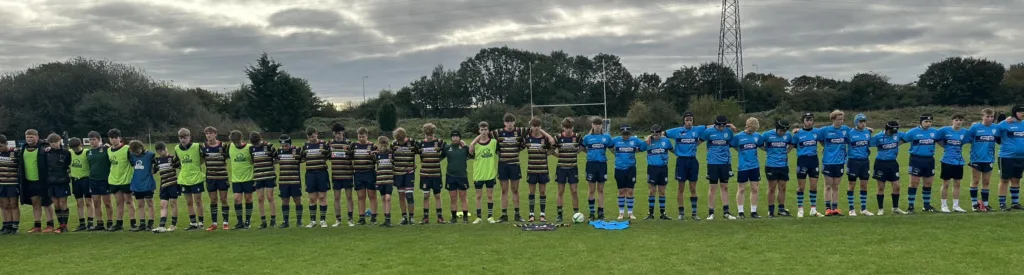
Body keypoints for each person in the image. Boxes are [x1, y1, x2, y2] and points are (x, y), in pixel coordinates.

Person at [664, 112, 705, 220]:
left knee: (692, 188)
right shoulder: (677, 131)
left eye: (691, 120)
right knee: (681, 188)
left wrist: (728, 125)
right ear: (684, 121)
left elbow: (711, 127)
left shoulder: (697, 129)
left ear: (693, 121)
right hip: (681, 161)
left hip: (692, 161)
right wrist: (650, 136)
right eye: (687, 120)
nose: (689, 122)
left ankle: (694, 213)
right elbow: (662, 133)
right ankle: (681, 213)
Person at [702, 115, 737, 220]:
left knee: (724, 187)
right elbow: (698, 141)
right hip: (712, 163)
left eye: (724, 126)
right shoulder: (708, 132)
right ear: (715, 124)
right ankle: (711, 213)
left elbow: (733, 143)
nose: (722, 128)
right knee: (712, 187)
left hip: (725, 163)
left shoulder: (728, 132)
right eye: (720, 126)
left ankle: (726, 212)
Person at [493, 113, 527, 222]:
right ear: (504, 123)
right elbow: (484, 135)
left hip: (514, 164)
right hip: (503, 165)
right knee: (504, 190)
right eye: (507, 122)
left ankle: (517, 214)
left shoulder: (520, 131)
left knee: (515, 190)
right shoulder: (498, 133)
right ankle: (504, 215)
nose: (510, 124)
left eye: (511, 121)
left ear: (514, 122)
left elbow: (534, 130)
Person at [903, 114, 939, 213]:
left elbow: (942, 142)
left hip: (929, 160)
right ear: (921, 122)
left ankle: (926, 206)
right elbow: (901, 140)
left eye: (930, 122)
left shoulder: (935, 132)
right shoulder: (912, 132)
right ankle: (910, 206)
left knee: (928, 183)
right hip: (916, 159)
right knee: (914, 183)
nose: (928, 124)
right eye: (926, 122)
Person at [20, 129, 54, 233]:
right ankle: (37, 226)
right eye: (27, 137)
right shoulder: (23, 148)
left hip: (43, 180)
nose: (29, 139)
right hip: (29, 180)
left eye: (31, 137)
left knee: (47, 203)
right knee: (35, 203)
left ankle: (50, 225)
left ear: (37, 137)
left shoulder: (44, 147)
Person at [872, 121, 908, 215]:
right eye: (892, 131)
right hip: (880, 163)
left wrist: (899, 143)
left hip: (893, 163)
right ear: (887, 129)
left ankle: (895, 208)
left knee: (897, 186)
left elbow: (909, 137)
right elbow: (868, 143)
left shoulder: (898, 134)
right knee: (880, 187)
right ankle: (880, 209)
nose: (894, 132)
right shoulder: (878, 136)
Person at [611, 125, 646, 220]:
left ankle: (630, 213)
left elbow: (643, 146)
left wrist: (637, 150)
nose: (625, 136)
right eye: (624, 134)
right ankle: (621, 213)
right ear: (621, 133)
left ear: (630, 134)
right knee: (621, 191)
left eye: (627, 134)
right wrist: (613, 152)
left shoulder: (635, 140)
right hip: (619, 168)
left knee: (630, 191)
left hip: (631, 168)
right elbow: (608, 145)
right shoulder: (615, 140)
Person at [524, 118, 556, 222]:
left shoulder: (545, 139)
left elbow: (553, 147)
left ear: (540, 127)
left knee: (542, 191)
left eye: (538, 125)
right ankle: (531, 214)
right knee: (532, 192)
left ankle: (542, 214)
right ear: (531, 127)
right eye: (534, 125)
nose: (536, 128)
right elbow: (519, 147)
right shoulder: (527, 138)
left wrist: (546, 153)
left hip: (543, 170)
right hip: (531, 170)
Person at [792, 113, 823, 217]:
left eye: (811, 120)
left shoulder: (817, 132)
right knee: (801, 187)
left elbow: (824, 141)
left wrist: (825, 147)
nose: (809, 122)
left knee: (813, 186)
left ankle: (813, 209)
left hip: (814, 160)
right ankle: (800, 209)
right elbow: (793, 145)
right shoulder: (797, 133)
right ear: (803, 121)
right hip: (802, 160)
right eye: (807, 119)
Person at [174, 128, 206, 231]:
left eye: (185, 137)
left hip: (196, 178)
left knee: (198, 201)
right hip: (184, 179)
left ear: (189, 137)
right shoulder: (177, 148)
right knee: (189, 202)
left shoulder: (197, 146)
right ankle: (193, 222)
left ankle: (201, 222)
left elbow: (204, 158)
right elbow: (178, 161)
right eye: (181, 137)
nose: (183, 140)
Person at [582, 117, 613, 220]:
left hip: (602, 165)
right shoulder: (587, 137)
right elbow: (580, 148)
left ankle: (600, 212)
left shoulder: (606, 137)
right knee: (591, 189)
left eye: (599, 124)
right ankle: (591, 212)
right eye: (595, 124)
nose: (597, 126)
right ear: (592, 125)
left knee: (600, 189)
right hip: (591, 165)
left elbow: (613, 149)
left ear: (601, 125)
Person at [820, 110, 850, 216]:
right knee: (828, 185)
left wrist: (867, 129)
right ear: (833, 119)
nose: (841, 121)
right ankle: (827, 209)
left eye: (842, 119)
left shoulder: (846, 130)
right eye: (839, 119)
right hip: (828, 161)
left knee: (836, 186)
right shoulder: (825, 130)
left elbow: (856, 132)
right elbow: (814, 134)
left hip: (840, 162)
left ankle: (835, 208)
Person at [731, 118, 763, 219]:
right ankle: (740, 212)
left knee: (755, 188)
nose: (752, 132)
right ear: (747, 126)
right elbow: (733, 145)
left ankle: (754, 211)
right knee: (741, 188)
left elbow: (762, 146)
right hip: (743, 166)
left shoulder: (757, 136)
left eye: (754, 130)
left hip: (755, 166)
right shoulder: (739, 137)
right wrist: (740, 151)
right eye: (751, 130)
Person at [762, 120, 794, 217]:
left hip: (783, 165)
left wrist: (787, 151)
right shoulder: (767, 135)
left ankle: (781, 209)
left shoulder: (788, 135)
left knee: (782, 187)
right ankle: (771, 211)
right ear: (776, 128)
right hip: (771, 165)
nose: (782, 133)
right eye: (780, 130)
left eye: (784, 131)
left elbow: (792, 144)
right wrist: (767, 150)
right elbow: (759, 144)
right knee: (772, 188)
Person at [938, 114, 970, 213]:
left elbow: (967, 140)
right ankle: (944, 205)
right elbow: (936, 138)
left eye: (960, 120)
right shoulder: (944, 130)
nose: (958, 122)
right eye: (956, 120)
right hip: (947, 160)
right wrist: (944, 146)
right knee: (946, 183)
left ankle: (956, 205)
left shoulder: (965, 132)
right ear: (952, 121)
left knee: (957, 183)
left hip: (959, 161)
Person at [968, 109, 998, 211]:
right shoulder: (975, 127)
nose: (990, 119)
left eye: (992, 117)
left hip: (989, 158)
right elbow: (966, 138)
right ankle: (974, 204)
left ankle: (985, 204)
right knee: (975, 180)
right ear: (982, 117)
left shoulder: (995, 127)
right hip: (976, 158)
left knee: (986, 181)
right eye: (987, 117)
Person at [200, 126, 230, 231]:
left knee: (223, 199)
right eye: (207, 133)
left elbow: (228, 158)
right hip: (211, 177)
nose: (209, 135)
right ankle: (214, 223)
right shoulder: (203, 146)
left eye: (211, 133)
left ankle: (225, 222)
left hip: (222, 177)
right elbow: (201, 160)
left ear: (215, 134)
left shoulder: (224, 146)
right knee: (213, 200)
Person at [553, 117, 582, 223]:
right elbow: (552, 150)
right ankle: (559, 214)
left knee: (574, 191)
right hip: (561, 168)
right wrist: (559, 156)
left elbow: (582, 147)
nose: (568, 130)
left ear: (573, 127)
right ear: (563, 127)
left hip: (573, 168)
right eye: (566, 128)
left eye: (570, 127)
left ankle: (576, 214)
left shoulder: (578, 137)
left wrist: (576, 153)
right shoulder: (558, 137)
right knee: (560, 191)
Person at [470, 121, 499, 224]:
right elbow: (470, 151)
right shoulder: (475, 145)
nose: (484, 132)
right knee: (478, 196)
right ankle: (478, 217)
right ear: (479, 131)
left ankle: (490, 216)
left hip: (490, 174)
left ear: (488, 130)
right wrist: (473, 143)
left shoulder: (494, 142)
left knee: (490, 196)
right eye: (482, 130)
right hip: (478, 174)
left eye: (485, 129)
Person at [301, 127, 331, 228]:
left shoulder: (324, 145)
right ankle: (313, 221)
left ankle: (323, 220)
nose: (311, 138)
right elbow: (303, 158)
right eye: (309, 137)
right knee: (312, 198)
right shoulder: (305, 146)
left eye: (313, 136)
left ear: (316, 134)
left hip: (322, 173)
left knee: (322, 197)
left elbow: (329, 156)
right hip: (310, 174)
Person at [996, 106, 1024, 211]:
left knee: (1016, 179)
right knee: (1004, 179)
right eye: (1020, 111)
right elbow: (996, 136)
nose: (1023, 113)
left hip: (1021, 157)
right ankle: (1002, 203)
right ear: (1014, 113)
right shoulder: (1005, 123)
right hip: (1006, 156)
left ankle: (1015, 203)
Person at [106, 129, 135, 231]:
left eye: (116, 138)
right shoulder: (108, 150)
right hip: (114, 180)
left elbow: (134, 163)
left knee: (129, 201)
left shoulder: (127, 149)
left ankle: (133, 223)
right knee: (118, 202)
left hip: (126, 180)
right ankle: (119, 223)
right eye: (112, 138)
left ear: (120, 138)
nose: (114, 140)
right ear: (109, 139)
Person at [418, 123, 447, 224]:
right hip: (425, 175)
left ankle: (440, 217)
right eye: (427, 133)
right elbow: (419, 155)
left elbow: (445, 151)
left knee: (437, 195)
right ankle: (425, 217)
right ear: (424, 133)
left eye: (431, 133)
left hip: (436, 174)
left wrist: (438, 159)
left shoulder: (439, 142)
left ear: (434, 133)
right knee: (426, 196)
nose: (429, 135)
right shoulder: (420, 144)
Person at [327, 123, 355, 227]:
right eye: (336, 133)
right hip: (336, 175)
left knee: (349, 197)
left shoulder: (349, 143)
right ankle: (338, 220)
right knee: (336, 198)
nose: (338, 135)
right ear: (333, 133)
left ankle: (350, 219)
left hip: (347, 175)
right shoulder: (330, 144)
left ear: (343, 132)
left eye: (339, 133)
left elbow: (353, 157)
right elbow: (327, 156)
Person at [846, 114, 874, 216]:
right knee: (851, 185)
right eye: (860, 122)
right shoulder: (850, 133)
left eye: (864, 122)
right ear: (856, 122)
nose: (863, 123)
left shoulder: (868, 132)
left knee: (864, 185)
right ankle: (851, 209)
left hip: (865, 162)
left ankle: (863, 208)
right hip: (853, 161)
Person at [227, 131, 256, 229]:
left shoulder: (249, 148)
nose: (236, 144)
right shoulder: (230, 147)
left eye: (238, 141)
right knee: (237, 199)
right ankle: (240, 222)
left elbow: (253, 161)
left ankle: (247, 221)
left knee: (248, 199)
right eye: (234, 142)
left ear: (241, 138)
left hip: (248, 178)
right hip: (236, 179)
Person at [391, 128, 419, 224]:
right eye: (398, 140)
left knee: (409, 195)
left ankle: (411, 217)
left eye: (401, 140)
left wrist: (415, 164)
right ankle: (404, 217)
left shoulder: (412, 142)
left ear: (405, 136)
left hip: (409, 173)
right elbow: (390, 157)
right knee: (401, 195)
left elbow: (421, 151)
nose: (400, 142)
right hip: (398, 174)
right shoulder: (393, 144)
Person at [44, 134, 72, 233]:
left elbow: (69, 166)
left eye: (55, 142)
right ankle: (60, 225)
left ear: (60, 141)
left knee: (63, 203)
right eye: (51, 142)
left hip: (62, 181)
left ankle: (65, 225)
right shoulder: (46, 153)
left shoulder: (66, 153)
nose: (53, 144)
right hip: (51, 182)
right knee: (56, 204)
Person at [86, 131, 113, 231]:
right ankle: (100, 223)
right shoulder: (88, 152)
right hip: (93, 180)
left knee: (107, 203)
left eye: (94, 139)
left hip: (104, 180)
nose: (92, 142)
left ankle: (110, 223)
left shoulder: (106, 149)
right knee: (96, 203)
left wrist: (109, 146)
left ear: (99, 139)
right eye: (90, 140)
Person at [644, 125, 673, 220]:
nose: (655, 136)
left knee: (662, 191)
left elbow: (673, 150)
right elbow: (638, 148)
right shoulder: (648, 141)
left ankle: (663, 213)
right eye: (653, 134)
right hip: (652, 169)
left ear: (660, 133)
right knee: (652, 191)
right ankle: (650, 213)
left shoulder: (666, 141)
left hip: (663, 169)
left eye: (657, 134)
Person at [249, 132, 278, 228]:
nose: (256, 145)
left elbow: (277, 159)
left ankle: (273, 220)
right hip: (258, 176)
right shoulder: (251, 149)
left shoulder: (269, 146)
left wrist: (270, 163)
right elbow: (252, 161)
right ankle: (263, 221)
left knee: (270, 197)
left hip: (269, 175)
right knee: (260, 198)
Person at [276, 135, 304, 228]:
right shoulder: (278, 151)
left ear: (290, 144)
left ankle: (299, 221)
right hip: (283, 181)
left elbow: (304, 159)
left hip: (295, 180)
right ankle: (285, 222)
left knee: (298, 200)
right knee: (284, 201)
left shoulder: (297, 150)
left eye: (286, 145)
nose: (284, 147)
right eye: (282, 145)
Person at [351, 128, 378, 225]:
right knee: (361, 196)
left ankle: (373, 217)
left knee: (372, 195)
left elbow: (377, 159)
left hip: (369, 173)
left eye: (363, 136)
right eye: (359, 136)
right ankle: (361, 218)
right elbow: (350, 157)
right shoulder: (354, 146)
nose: (361, 138)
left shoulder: (372, 146)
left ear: (367, 136)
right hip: (358, 173)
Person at [128, 140, 156, 232]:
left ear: (141, 148)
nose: (136, 154)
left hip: (147, 183)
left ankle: (150, 223)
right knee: (140, 204)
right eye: (134, 152)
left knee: (150, 203)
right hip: (137, 184)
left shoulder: (150, 155)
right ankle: (142, 223)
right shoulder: (131, 155)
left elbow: (155, 167)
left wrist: (153, 170)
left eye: (137, 151)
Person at [152, 142, 180, 233]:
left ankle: (173, 225)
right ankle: (162, 226)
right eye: (159, 150)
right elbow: (153, 171)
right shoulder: (157, 160)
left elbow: (181, 166)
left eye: (163, 149)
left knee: (173, 203)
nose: (161, 152)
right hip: (163, 185)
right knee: (163, 205)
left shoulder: (173, 158)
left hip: (173, 184)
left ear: (166, 148)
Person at [68, 137, 94, 231]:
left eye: (77, 147)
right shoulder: (70, 152)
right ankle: (82, 223)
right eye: (73, 148)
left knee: (88, 202)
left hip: (86, 179)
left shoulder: (87, 152)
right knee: (79, 203)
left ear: (81, 145)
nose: (75, 149)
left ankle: (90, 222)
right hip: (75, 180)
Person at [444, 130, 470, 223]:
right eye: (453, 136)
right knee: (453, 197)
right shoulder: (447, 148)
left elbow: (473, 154)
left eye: (457, 136)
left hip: (462, 176)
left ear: (460, 137)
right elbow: (438, 157)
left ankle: (465, 217)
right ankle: (454, 217)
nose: (455, 138)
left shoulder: (464, 148)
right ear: (451, 138)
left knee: (463, 196)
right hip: (450, 176)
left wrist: (466, 145)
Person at [0, 134, 20, 235]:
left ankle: (15, 226)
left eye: (1, 146)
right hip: (1, 183)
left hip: (12, 183)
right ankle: (6, 225)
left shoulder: (14, 152)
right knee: (4, 205)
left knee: (13, 204)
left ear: (6, 144)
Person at [374, 136, 395, 227]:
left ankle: (388, 219)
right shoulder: (376, 154)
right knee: (383, 199)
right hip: (380, 179)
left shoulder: (391, 153)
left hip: (389, 179)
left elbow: (395, 164)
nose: (383, 147)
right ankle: (385, 219)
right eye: (381, 145)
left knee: (388, 198)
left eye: (385, 145)